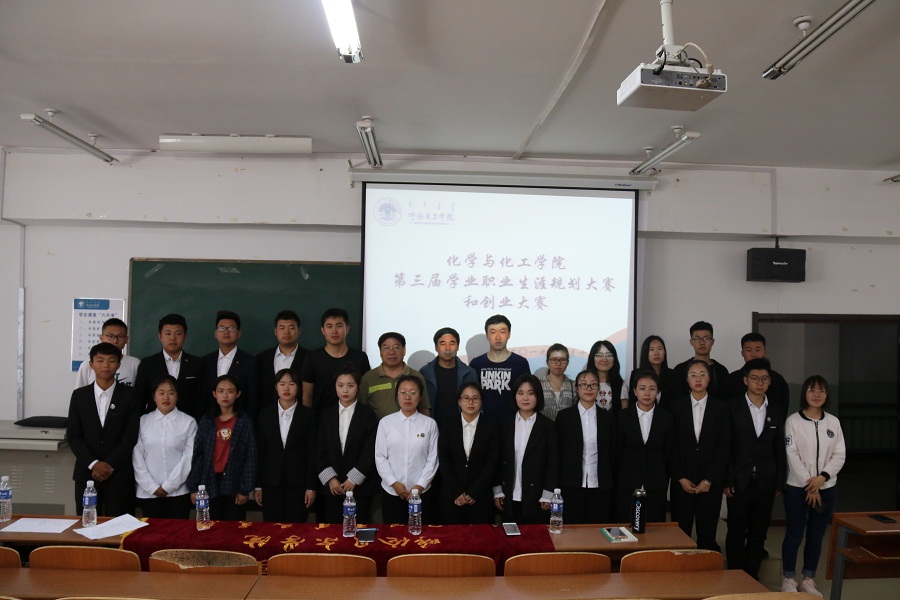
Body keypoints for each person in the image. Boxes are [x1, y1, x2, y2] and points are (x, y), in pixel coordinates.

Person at [781, 375, 846, 596]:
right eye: (811, 390)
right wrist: (810, 485)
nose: (816, 395)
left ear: (827, 395)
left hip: (826, 487)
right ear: (804, 394)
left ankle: (808, 579)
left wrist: (822, 478)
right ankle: (789, 578)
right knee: (794, 534)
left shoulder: (833, 422)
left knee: (817, 535)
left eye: (821, 391)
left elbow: (839, 454)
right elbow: (792, 454)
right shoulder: (793, 421)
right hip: (798, 487)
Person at [725, 358, 786, 580]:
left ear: (769, 382)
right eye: (754, 378)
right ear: (745, 380)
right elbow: (727, 446)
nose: (759, 383)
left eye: (764, 379)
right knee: (736, 531)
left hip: (765, 481)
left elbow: (779, 448)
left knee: (758, 533)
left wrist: (779, 480)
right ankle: (735, 577)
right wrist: (727, 479)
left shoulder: (776, 410)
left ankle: (752, 577)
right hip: (738, 481)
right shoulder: (731, 407)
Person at [67, 342, 142, 516]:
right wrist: (94, 464)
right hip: (87, 473)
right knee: (87, 523)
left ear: (119, 364)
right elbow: (74, 435)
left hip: (119, 473)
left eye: (111, 360)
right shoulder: (79, 396)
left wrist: (109, 465)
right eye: (100, 360)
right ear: (91, 364)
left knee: (120, 525)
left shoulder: (130, 396)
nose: (105, 365)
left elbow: (130, 435)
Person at [668, 360, 730, 551]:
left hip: (710, 483)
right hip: (682, 482)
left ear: (709, 378)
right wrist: (680, 477)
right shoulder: (676, 407)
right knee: (681, 534)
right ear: (686, 379)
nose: (698, 379)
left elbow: (723, 447)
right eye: (693, 375)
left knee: (707, 534)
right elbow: (671, 446)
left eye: (703, 375)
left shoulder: (721, 408)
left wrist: (709, 480)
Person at [188, 374, 258, 521]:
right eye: (220, 391)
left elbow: (250, 457)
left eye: (230, 391)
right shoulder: (206, 420)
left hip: (234, 483)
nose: (225, 395)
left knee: (233, 529)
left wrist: (244, 489)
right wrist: (194, 487)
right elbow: (198, 455)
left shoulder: (244, 421)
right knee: (207, 525)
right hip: (207, 483)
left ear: (238, 394)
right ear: (214, 394)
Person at [253, 369, 317, 523]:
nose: (286, 388)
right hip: (271, 482)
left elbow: (312, 453)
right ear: (276, 387)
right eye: (282, 384)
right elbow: (260, 452)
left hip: (299, 483)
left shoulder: (308, 415)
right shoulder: (265, 414)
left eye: (291, 384)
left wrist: (311, 487)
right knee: (272, 528)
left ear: (298, 387)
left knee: (296, 529)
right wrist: (258, 486)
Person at [317, 368, 379, 524]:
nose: (345, 390)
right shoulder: (326, 414)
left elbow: (370, 450)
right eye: (340, 385)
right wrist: (331, 478)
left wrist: (354, 479)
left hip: (360, 488)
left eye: (350, 386)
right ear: (335, 387)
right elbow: (319, 448)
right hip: (332, 487)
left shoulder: (367, 415)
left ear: (358, 388)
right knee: (331, 531)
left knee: (359, 529)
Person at [494, 374, 559, 525]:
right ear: (514, 396)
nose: (525, 398)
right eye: (520, 393)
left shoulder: (548, 426)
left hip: (537, 499)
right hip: (507, 497)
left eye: (531, 393)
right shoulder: (504, 424)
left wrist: (548, 493)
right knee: (509, 537)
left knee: (534, 538)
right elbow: (496, 459)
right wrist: (497, 490)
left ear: (538, 396)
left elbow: (553, 462)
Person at [374, 375, 439, 524]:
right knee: (393, 535)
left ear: (420, 397)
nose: (407, 397)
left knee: (420, 534)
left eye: (413, 392)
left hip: (422, 492)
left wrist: (420, 485)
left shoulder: (429, 424)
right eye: (403, 392)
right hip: (391, 491)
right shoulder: (386, 423)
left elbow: (433, 458)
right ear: (397, 396)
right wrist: (393, 483)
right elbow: (380, 457)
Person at [132, 374, 198, 518]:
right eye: (161, 393)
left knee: (178, 530)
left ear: (177, 396)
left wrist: (169, 486)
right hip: (148, 492)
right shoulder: (143, 421)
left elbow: (189, 457)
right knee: (152, 531)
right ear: (153, 397)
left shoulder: (188, 422)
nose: (166, 397)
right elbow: (137, 456)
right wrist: (151, 486)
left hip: (179, 492)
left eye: (171, 393)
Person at [555, 370, 616, 523]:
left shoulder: (608, 418)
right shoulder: (564, 417)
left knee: (598, 528)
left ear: (598, 388)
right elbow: (557, 453)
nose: (589, 388)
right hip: (571, 485)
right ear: (577, 388)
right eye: (584, 384)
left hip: (600, 485)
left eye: (593, 385)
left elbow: (614, 453)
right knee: (572, 529)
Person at [615, 370, 673, 523]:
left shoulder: (666, 418)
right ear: (635, 391)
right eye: (642, 388)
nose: (647, 393)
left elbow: (668, 452)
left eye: (652, 388)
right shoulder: (622, 417)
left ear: (658, 391)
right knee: (626, 524)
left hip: (656, 482)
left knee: (654, 526)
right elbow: (618, 452)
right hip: (627, 481)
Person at [437, 382, 499, 524]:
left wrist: (475, 492)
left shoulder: (491, 427)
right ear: (459, 401)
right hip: (452, 496)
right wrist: (456, 491)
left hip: (480, 497)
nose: (471, 402)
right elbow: (444, 460)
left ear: (481, 401)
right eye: (466, 398)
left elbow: (492, 462)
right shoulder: (447, 425)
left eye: (475, 398)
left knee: (479, 537)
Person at [301, 307, 371, 419]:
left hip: (353, 419)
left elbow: (364, 393)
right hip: (320, 420)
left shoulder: (360, 357)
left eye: (339, 326)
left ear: (347, 328)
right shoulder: (312, 358)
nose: (334, 331)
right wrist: (307, 420)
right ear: (323, 330)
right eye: (329, 326)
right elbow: (307, 395)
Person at [134, 313, 203, 419]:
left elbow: (202, 399)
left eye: (178, 333)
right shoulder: (147, 364)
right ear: (160, 336)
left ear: (185, 336)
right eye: (168, 333)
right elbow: (139, 400)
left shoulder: (197, 364)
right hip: (155, 424)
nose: (172, 338)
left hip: (188, 424)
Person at [470, 315, 531, 421]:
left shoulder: (520, 363)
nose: (498, 337)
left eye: (502, 332)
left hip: (513, 423)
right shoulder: (477, 364)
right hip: (482, 423)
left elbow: (527, 394)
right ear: (487, 335)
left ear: (509, 334)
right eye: (493, 332)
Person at [200, 311, 260, 419]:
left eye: (231, 328)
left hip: (239, 422)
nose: (226, 332)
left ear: (238, 333)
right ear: (216, 333)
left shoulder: (250, 362)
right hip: (210, 422)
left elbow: (253, 400)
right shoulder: (205, 361)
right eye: (222, 328)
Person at [360, 332, 430, 420]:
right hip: (377, 428)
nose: (391, 352)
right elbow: (361, 409)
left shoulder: (416, 376)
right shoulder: (368, 378)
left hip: (411, 428)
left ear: (404, 350)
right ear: (380, 352)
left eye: (396, 347)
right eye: (386, 348)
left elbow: (424, 409)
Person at [419, 327, 477, 432]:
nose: (447, 348)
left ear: (458, 347)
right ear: (436, 347)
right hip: (433, 429)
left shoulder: (469, 373)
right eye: (442, 344)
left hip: (462, 429)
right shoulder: (425, 373)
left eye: (452, 343)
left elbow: (477, 403)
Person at [721, 333, 790, 412]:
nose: (753, 355)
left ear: (765, 352)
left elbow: (782, 412)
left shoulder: (778, 381)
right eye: (749, 350)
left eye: (757, 350)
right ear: (742, 353)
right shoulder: (730, 381)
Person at [256, 310, 308, 409]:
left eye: (291, 328)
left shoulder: (309, 358)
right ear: (275, 331)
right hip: (267, 414)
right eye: (282, 328)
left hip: (299, 414)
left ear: (299, 330)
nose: (286, 332)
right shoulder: (262, 358)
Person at [75, 317, 140, 388]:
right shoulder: (87, 365)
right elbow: (80, 392)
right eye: (110, 336)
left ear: (126, 339)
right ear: (101, 338)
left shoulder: (135, 364)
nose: (115, 341)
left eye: (120, 336)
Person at [672, 321, 730, 398]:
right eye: (697, 339)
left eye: (706, 338)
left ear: (712, 342)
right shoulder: (680, 370)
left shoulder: (721, 371)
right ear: (691, 342)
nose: (702, 342)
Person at [629, 335, 678, 410]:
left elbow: (677, 402)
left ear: (664, 352)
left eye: (659, 349)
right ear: (645, 352)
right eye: (651, 350)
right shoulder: (636, 374)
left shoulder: (673, 375)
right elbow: (632, 402)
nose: (656, 353)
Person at [585, 340, 628, 412]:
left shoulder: (621, 386)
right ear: (592, 358)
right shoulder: (584, 384)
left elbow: (624, 414)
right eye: (599, 355)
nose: (604, 359)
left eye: (609, 355)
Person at [538, 343, 576, 421]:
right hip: (544, 428)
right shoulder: (538, 385)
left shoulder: (574, 386)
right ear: (547, 362)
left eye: (562, 360)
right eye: (554, 360)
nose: (558, 363)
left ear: (567, 362)